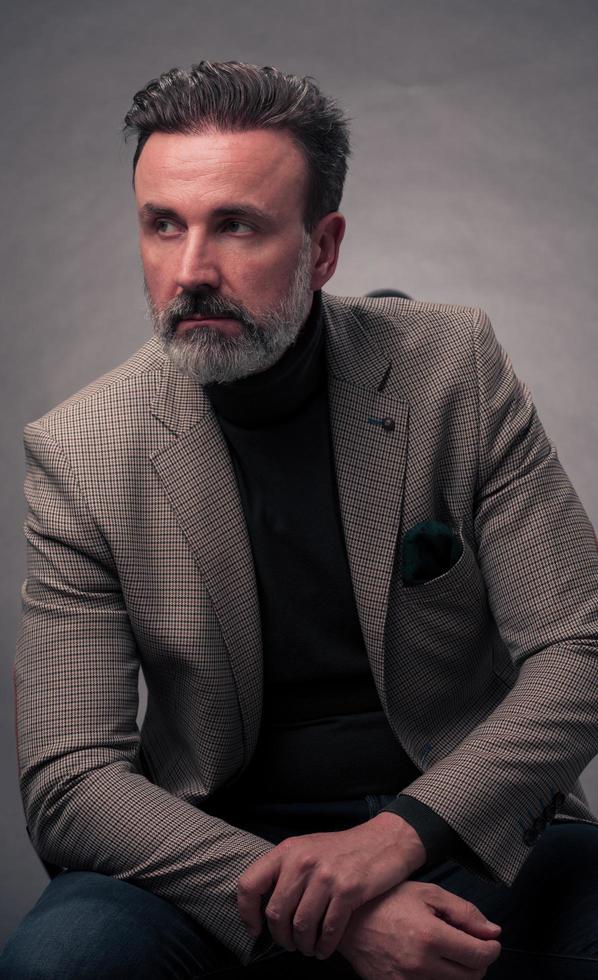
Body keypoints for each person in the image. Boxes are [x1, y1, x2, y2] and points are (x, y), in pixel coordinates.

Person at [1, 60, 598, 980]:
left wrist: (402, 837)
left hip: (458, 818)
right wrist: (318, 907)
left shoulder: (453, 368)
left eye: (236, 225)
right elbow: (70, 776)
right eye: (164, 225)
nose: (191, 270)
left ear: (323, 249)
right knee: (61, 962)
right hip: (215, 849)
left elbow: (582, 647)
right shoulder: (83, 450)